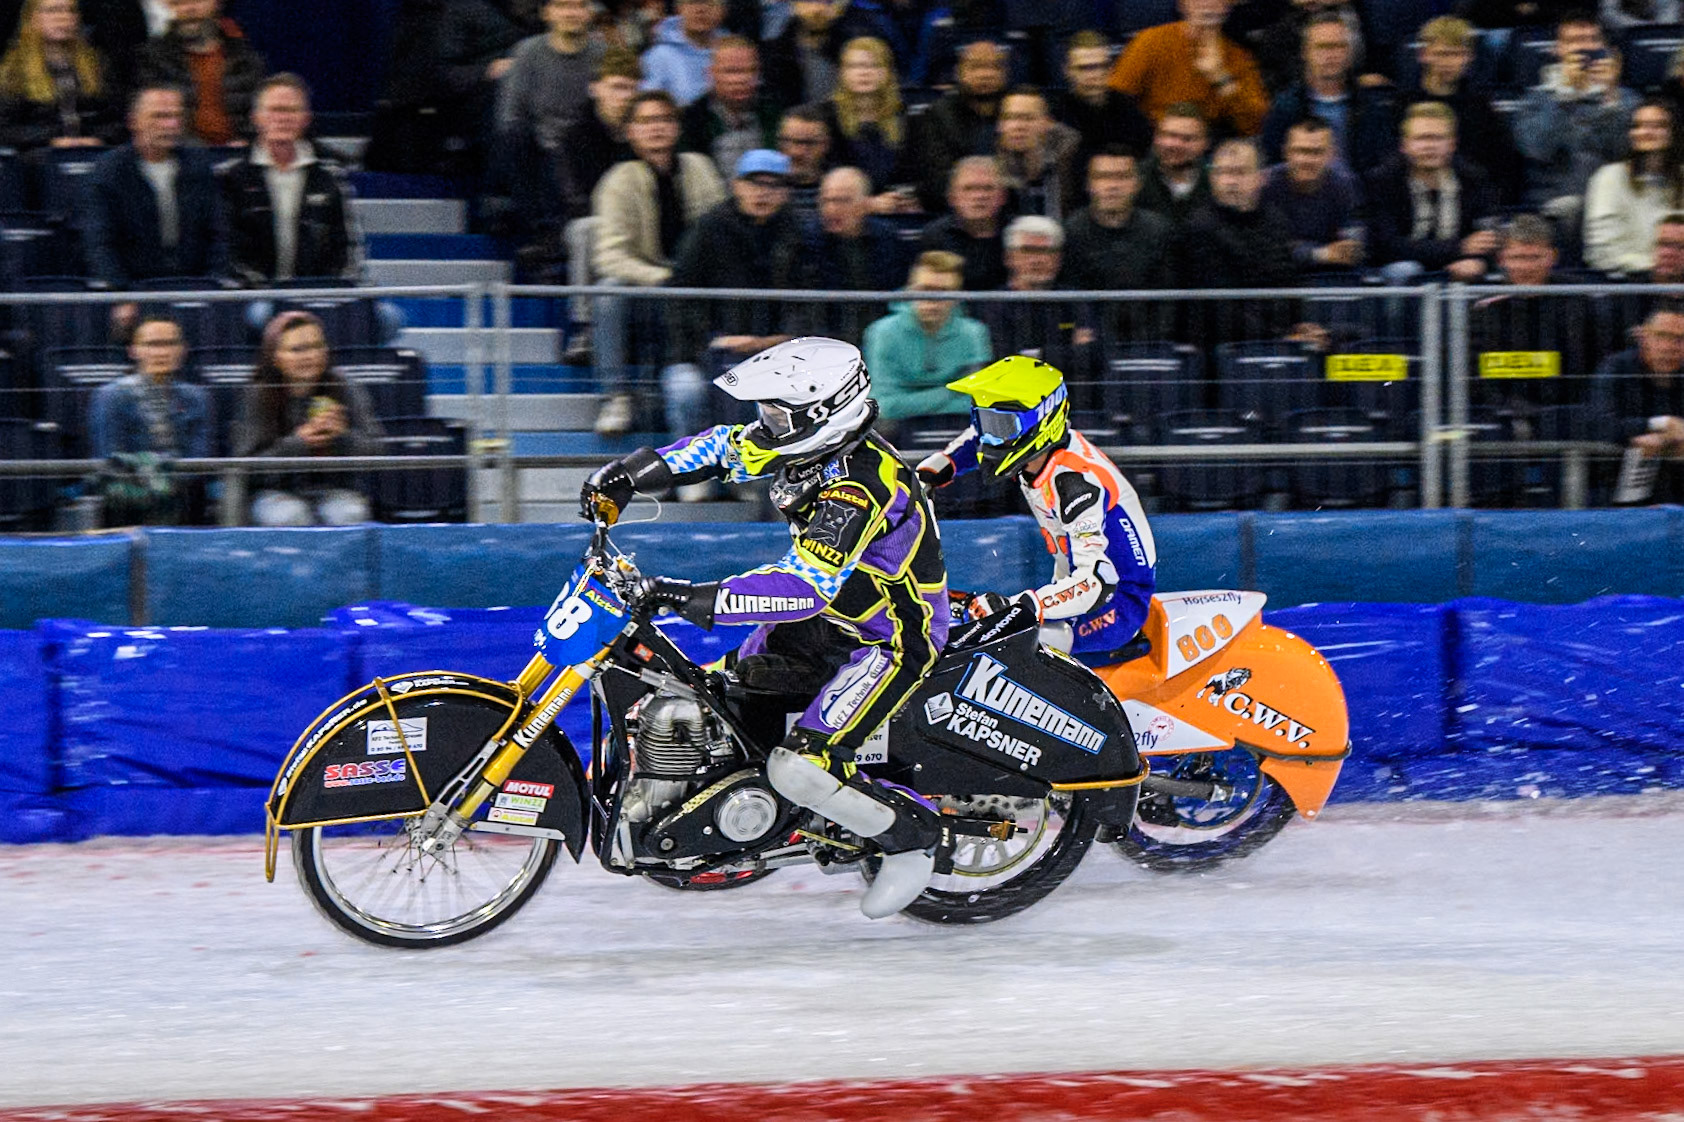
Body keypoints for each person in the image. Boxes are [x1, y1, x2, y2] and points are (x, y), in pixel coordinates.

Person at [581, 336, 952, 920]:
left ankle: (910, 842)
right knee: (712, 703)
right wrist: (629, 474)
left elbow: (804, 584)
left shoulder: (862, 487)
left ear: (827, 413)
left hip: (889, 639)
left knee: (799, 767)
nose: (765, 424)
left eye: (779, 413)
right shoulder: (804, 450)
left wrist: (690, 596)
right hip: (825, 623)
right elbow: (721, 447)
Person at [916, 355, 1156, 661]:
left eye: (1000, 425)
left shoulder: (1076, 483)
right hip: (1072, 588)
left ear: (1042, 423)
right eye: (984, 419)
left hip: (1116, 604)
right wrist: (929, 474)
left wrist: (1020, 606)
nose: (989, 436)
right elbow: (974, 438)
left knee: (990, 647)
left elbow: (1098, 580)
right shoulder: (1033, 452)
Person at [589, 89, 727, 435]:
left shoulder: (700, 168)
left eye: (665, 119)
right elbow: (610, 256)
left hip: (699, 290)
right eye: (646, 121)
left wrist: (694, 278)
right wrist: (663, 277)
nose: (656, 128)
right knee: (608, 292)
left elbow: (722, 234)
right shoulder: (619, 180)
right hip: (648, 292)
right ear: (630, 132)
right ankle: (616, 395)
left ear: (677, 128)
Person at [662, 147, 803, 460]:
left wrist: (777, 340)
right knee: (684, 389)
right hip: (706, 351)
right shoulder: (709, 228)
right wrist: (714, 339)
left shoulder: (798, 234)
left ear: (785, 193)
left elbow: (809, 299)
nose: (762, 193)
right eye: (754, 183)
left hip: (777, 353)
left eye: (773, 185)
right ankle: (691, 468)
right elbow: (678, 296)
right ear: (737, 185)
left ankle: (755, 481)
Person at [235, 310, 384, 527]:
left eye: (316, 347)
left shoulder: (346, 388)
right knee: (291, 516)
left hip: (335, 490)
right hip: (274, 492)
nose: (309, 356)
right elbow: (247, 469)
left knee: (349, 514)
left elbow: (378, 451)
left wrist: (342, 436)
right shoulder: (257, 394)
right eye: (297, 350)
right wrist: (299, 443)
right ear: (274, 357)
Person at [218, 74, 363, 286]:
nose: (283, 118)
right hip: (252, 295)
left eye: (292, 110)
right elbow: (226, 251)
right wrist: (266, 293)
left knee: (387, 316)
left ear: (306, 118)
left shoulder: (329, 177)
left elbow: (348, 248)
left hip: (316, 295)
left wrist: (325, 292)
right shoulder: (231, 177)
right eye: (275, 110)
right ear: (256, 117)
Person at [82, 84, 231, 288]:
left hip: (195, 288)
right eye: (159, 116)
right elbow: (100, 243)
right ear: (133, 121)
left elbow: (219, 236)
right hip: (135, 290)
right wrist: (120, 292)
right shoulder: (109, 172)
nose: (170, 124)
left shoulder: (199, 165)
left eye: (176, 116)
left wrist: (212, 284)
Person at [1512, 12, 1639, 222]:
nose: (1586, 48)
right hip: (1550, 206)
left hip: (1612, 205)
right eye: (1575, 41)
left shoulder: (1626, 100)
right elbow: (1538, 150)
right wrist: (1565, 96)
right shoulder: (1534, 99)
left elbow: (1622, 152)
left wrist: (1609, 96)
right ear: (1558, 49)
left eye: (1593, 40)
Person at [89, 313, 212, 526]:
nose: (161, 352)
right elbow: (110, 457)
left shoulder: (197, 398)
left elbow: (198, 459)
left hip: (183, 495)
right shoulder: (111, 397)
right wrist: (159, 480)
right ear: (133, 350)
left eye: (170, 344)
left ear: (182, 350)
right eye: (152, 344)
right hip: (129, 497)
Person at [1364, 101, 1500, 281]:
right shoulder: (1382, 181)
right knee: (1405, 270)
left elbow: (1487, 239)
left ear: (1452, 144)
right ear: (1404, 145)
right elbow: (1387, 246)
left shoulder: (1474, 179)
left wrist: (1479, 261)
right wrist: (1459, 248)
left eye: (1438, 138)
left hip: (1461, 267)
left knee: (1476, 270)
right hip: (1403, 267)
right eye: (1421, 138)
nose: (1430, 146)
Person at [1396, 16, 1521, 203]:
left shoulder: (1480, 106)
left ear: (1469, 57)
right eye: (1441, 54)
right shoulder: (1403, 104)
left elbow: (1504, 164)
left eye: (1456, 54)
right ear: (1423, 54)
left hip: (1473, 199)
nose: (1448, 62)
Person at [862, 249, 992, 423]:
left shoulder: (974, 333)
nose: (932, 301)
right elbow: (884, 405)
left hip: (959, 429)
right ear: (909, 291)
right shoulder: (882, 332)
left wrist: (911, 402)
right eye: (925, 290)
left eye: (943, 292)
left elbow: (978, 403)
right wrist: (951, 391)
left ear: (957, 296)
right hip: (897, 431)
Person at [1106, 0, 1268, 138]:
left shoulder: (1238, 57)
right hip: (1155, 138)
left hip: (1208, 144)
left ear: (1227, 6)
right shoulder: (1151, 41)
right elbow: (1113, 102)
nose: (1207, 4)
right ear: (1182, 4)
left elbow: (1255, 126)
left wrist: (1220, 77)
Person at [1258, 12, 1394, 177]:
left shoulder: (1371, 106)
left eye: (1338, 46)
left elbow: (1383, 166)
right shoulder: (1285, 108)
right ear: (1305, 52)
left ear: (1350, 52)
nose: (1331, 55)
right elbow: (1272, 166)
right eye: (1322, 47)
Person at [135, 0, 265, 145]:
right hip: (183, 154)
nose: (189, 9)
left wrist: (247, 143)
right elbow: (158, 122)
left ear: (218, 3)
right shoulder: (154, 59)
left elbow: (259, 114)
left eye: (196, 1)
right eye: (178, 3)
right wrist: (198, 152)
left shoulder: (244, 57)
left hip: (238, 153)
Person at [1590, 302, 1684, 500]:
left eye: (1680, 339)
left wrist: (1664, 439)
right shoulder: (1616, 368)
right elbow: (1601, 424)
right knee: (1645, 448)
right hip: (1617, 479)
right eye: (1662, 336)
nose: (1669, 347)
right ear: (1644, 337)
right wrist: (1660, 424)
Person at [0, 0, 122, 152]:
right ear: (32, 18)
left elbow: (117, 120)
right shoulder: (15, 69)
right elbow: (6, 130)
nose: (63, 17)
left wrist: (96, 138)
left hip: (93, 154)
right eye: (53, 10)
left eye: (70, 11)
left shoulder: (96, 64)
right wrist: (52, 140)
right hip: (38, 160)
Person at [905, 37, 1007, 212]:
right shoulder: (937, 116)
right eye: (976, 67)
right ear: (958, 72)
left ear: (1005, 73)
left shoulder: (1014, 111)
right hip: (952, 211)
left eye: (993, 67)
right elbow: (936, 181)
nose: (985, 74)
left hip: (1007, 207)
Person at [1583, 99, 1684, 276]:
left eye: (1658, 125)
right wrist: (1656, 266)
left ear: (1673, 132)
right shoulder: (1609, 178)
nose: (1646, 132)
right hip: (1630, 283)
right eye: (1638, 125)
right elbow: (1601, 251)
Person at [1261, 115, 1364, 273]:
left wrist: (1301, 250)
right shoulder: (1265, 185)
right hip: (1279, 277)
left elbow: (1352, 248)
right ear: (1286, 152)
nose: (1307, 160)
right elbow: (1267, 250)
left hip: (1333, 274)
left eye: (1316, 152)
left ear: (1331, 155)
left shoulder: (1345, 185)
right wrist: (1320, 254)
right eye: (1300, 151)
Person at [815, 35, 910, 201]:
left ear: (888, 72)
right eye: (855, 66)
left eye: (874, 66)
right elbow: (827, 175)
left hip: (893, 205)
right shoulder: (826, 116)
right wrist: (868, 204)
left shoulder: (904, 115)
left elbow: (911, 173)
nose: (864, 72)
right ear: (842, 73)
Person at [556, 45, 640, 222]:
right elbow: (575, 202)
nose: (626, 96)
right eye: (617, 87)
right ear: (594, 88)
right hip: (593, 221)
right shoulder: (573, 139)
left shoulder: (642, 134)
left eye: (632, 88)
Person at [677, 35, 779, 179]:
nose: (741, 79)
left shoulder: (776, 115)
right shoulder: (691, 121)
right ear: (710, 74)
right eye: (731, 71)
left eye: (749, 70)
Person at [1053, 30, 1152, 175]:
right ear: (1067, 71)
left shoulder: (1129, 109)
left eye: (1102, 66)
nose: (1095, 75)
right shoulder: (1056, 116)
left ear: (1111, 68)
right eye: (1085, 68)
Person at [916, 155, 1010, 290]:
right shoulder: (934, 235)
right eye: (969, 188)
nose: (979, 196)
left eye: (988, 188)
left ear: (1003, 196)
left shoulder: (1017, 233)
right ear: (952, 198)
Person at [994, 85, 1082, 221]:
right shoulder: (987, 163)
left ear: (1048, 123)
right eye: (1009, 118)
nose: (1018, 126)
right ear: (1000, 125)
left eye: (1027, 118)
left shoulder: (1074, 160)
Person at [1134, 102, 1214, 228]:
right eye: (1169, 135)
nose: (1175, 144)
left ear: (1205, 143)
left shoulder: (1216, 185)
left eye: (1187, 139)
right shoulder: (1135, 180)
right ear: (1156, 138)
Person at [639, 0, 726, 107]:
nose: (701, 9)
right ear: (679, 8)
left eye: (709, 2)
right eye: (692, 2)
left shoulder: (734, 51)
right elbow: (649, 103)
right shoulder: (659, 56)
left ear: (722, 9)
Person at [776, 103, 831, 224]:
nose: (797, 152)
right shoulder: (765, 188)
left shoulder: (840, 190)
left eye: (808, 143)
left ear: (825, 145)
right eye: (788, 141)